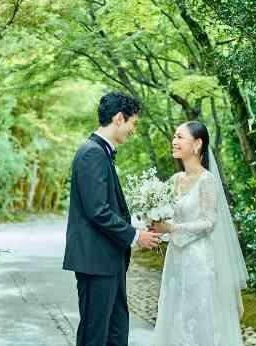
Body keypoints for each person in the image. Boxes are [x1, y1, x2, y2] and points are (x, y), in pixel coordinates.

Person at [63, 92, 162, 346]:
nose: (133, 130)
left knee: (116, 334)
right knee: (95, 337)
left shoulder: (101, 153)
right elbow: (98, 210)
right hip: (95, 262)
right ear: (119, 118)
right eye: (133, 124)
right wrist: (135, 235)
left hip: (109, 260)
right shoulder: (91, 153)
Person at [151, 121, 248, 346]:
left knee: (199, 319)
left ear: (197, 144)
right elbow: (166, 217)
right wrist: (155, 224)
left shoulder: (207, 180)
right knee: (173, 316)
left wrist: (172, 228)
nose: (174, 141)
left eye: (179, 137)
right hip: (175, 260)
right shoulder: (175, 181)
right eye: (174, 136)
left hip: (199, 261)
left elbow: (209, 222)